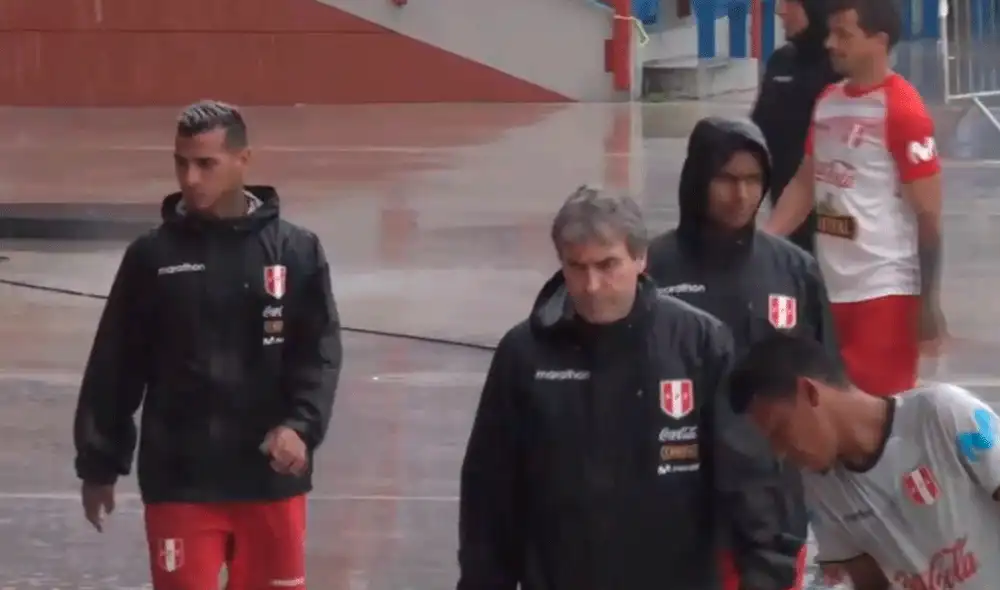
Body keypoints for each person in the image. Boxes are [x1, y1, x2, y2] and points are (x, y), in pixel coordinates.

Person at [457, 185, 795, 590]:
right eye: (577, 267)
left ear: (640, 258)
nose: (592, 285)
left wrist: (765, 577)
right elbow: (489, 495)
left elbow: (750, 480)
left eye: (607, 265)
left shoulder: (700, 344)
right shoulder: (524, 355)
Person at [73, 100, 342, 590]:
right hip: (181, 484)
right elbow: (115, 364)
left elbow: (318, 355)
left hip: (269, 482)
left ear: (244, 161)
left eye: (205, 164)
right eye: (181, 162)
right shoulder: (151, 257)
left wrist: (301, 426)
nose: (190, 179)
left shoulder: (296, 251)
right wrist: (99, 463)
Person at [646, 116, 839, 590]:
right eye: (727, 179)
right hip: (679, 506)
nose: (742, 195)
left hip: (772, 514)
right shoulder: (651, 270)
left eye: (754, 180)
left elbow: (829, 390)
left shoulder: (795, 270)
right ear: (697, 178)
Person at [763, 0, 947, 397]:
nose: (830, 43)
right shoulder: (829, 100)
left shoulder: (903, 110)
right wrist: (765, 241)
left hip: (883, 294)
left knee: (878, 419)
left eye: (844, 34)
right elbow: (806, 182)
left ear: (878, 41)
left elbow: (929, 216)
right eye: (831, 32)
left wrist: (927, 305)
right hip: (830, 290)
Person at [729, 332, 1000, 590]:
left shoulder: (943, 414)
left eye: (780, 431)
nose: (780, 453)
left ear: (810, 392)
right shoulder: (821, 487)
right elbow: (869, 583)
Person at [751, 0, 841, 253]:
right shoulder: (780, 62)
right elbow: (757, 132)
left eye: (790, 3)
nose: (780, 10)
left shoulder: (839, 69)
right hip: (787, 214)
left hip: (835, 219)